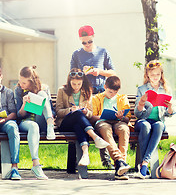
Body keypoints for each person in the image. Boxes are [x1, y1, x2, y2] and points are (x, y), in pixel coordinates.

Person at [70, 25, 116, 169]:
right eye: (84, 42)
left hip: (101, 93)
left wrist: (99, 72)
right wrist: (82, 73)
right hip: (84, 94)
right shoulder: (76, 54)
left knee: (101, 122)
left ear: (93, 36)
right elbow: (71, 74)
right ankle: (83, 158)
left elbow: (113, 72)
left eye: (89, 41)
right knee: (86, 121)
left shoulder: (103, 52)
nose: (87, 45)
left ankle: (106, 158)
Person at [55, 68, 110, 167]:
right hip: (65, 123)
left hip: (80, 123)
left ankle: (85, 155)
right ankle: (95, 137)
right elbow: (58, 112)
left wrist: (85, 111)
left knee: (78, 124)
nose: (76, 87)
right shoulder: (62, 90)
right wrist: (70, 110)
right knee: (77, 114)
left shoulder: (87, 91)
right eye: (74, 84)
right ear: (69, 82)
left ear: (82, 82)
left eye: (79, 84)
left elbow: (90, 113)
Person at [134, 60, 175, 179]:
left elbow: (169, 114)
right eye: (152, 75)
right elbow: (137, 114)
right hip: (143, 120)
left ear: (161, 75)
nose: (155, 77)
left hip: (158, 121)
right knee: (146, 126)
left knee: (159, 126)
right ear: (147, 75)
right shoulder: (142, 89)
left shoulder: (166, 89)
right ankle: (145, 164)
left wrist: (170, 107)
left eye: (157, 74)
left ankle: (144, 164)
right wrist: (141, 102)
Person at [14, 66, 55, 180]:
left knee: (42, 94)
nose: (21, 84)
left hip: (41, 119)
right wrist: (24, 104)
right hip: (26, 122)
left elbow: (51, 109)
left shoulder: (43, 88)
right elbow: (19, 114)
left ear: (31, 81)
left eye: (24, 82)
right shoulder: (18, 90)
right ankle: (36, 165)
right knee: (33, 126)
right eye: (20, 81)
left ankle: (50, 124)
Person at [91, 76, 132, 180]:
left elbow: (127, 118)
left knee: (124, 129)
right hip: (103, 122)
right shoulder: (97, 98)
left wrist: (122, 117)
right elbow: (92, 116)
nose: (112, 94)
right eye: (110, 92)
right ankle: (120, 162)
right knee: (105, 129)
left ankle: (120, 166)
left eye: (115, 92)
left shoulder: (122, 98)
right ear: (105, 87)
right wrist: (103, 116)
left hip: (119, 122)